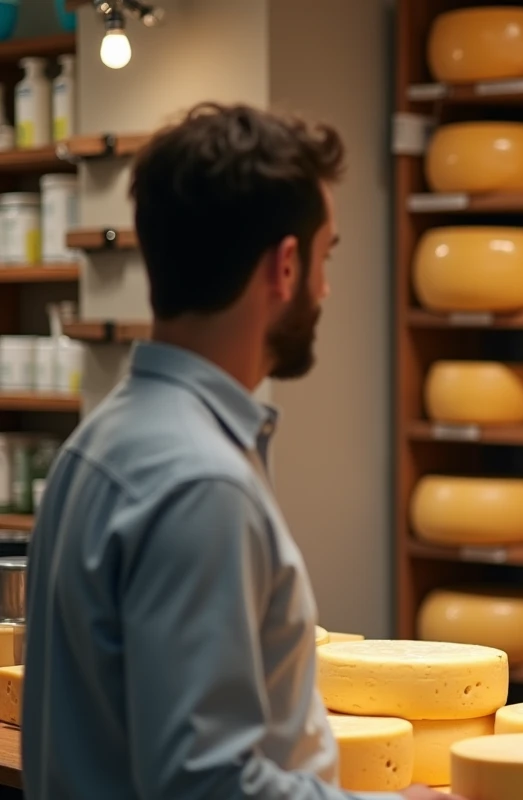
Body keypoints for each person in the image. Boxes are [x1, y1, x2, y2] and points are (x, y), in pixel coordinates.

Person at [21, 103, 460, 800]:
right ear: (286, 266)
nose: (325, 287)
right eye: (325, 258)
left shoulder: (97, 444)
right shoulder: (199, 483)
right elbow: (203, 783)